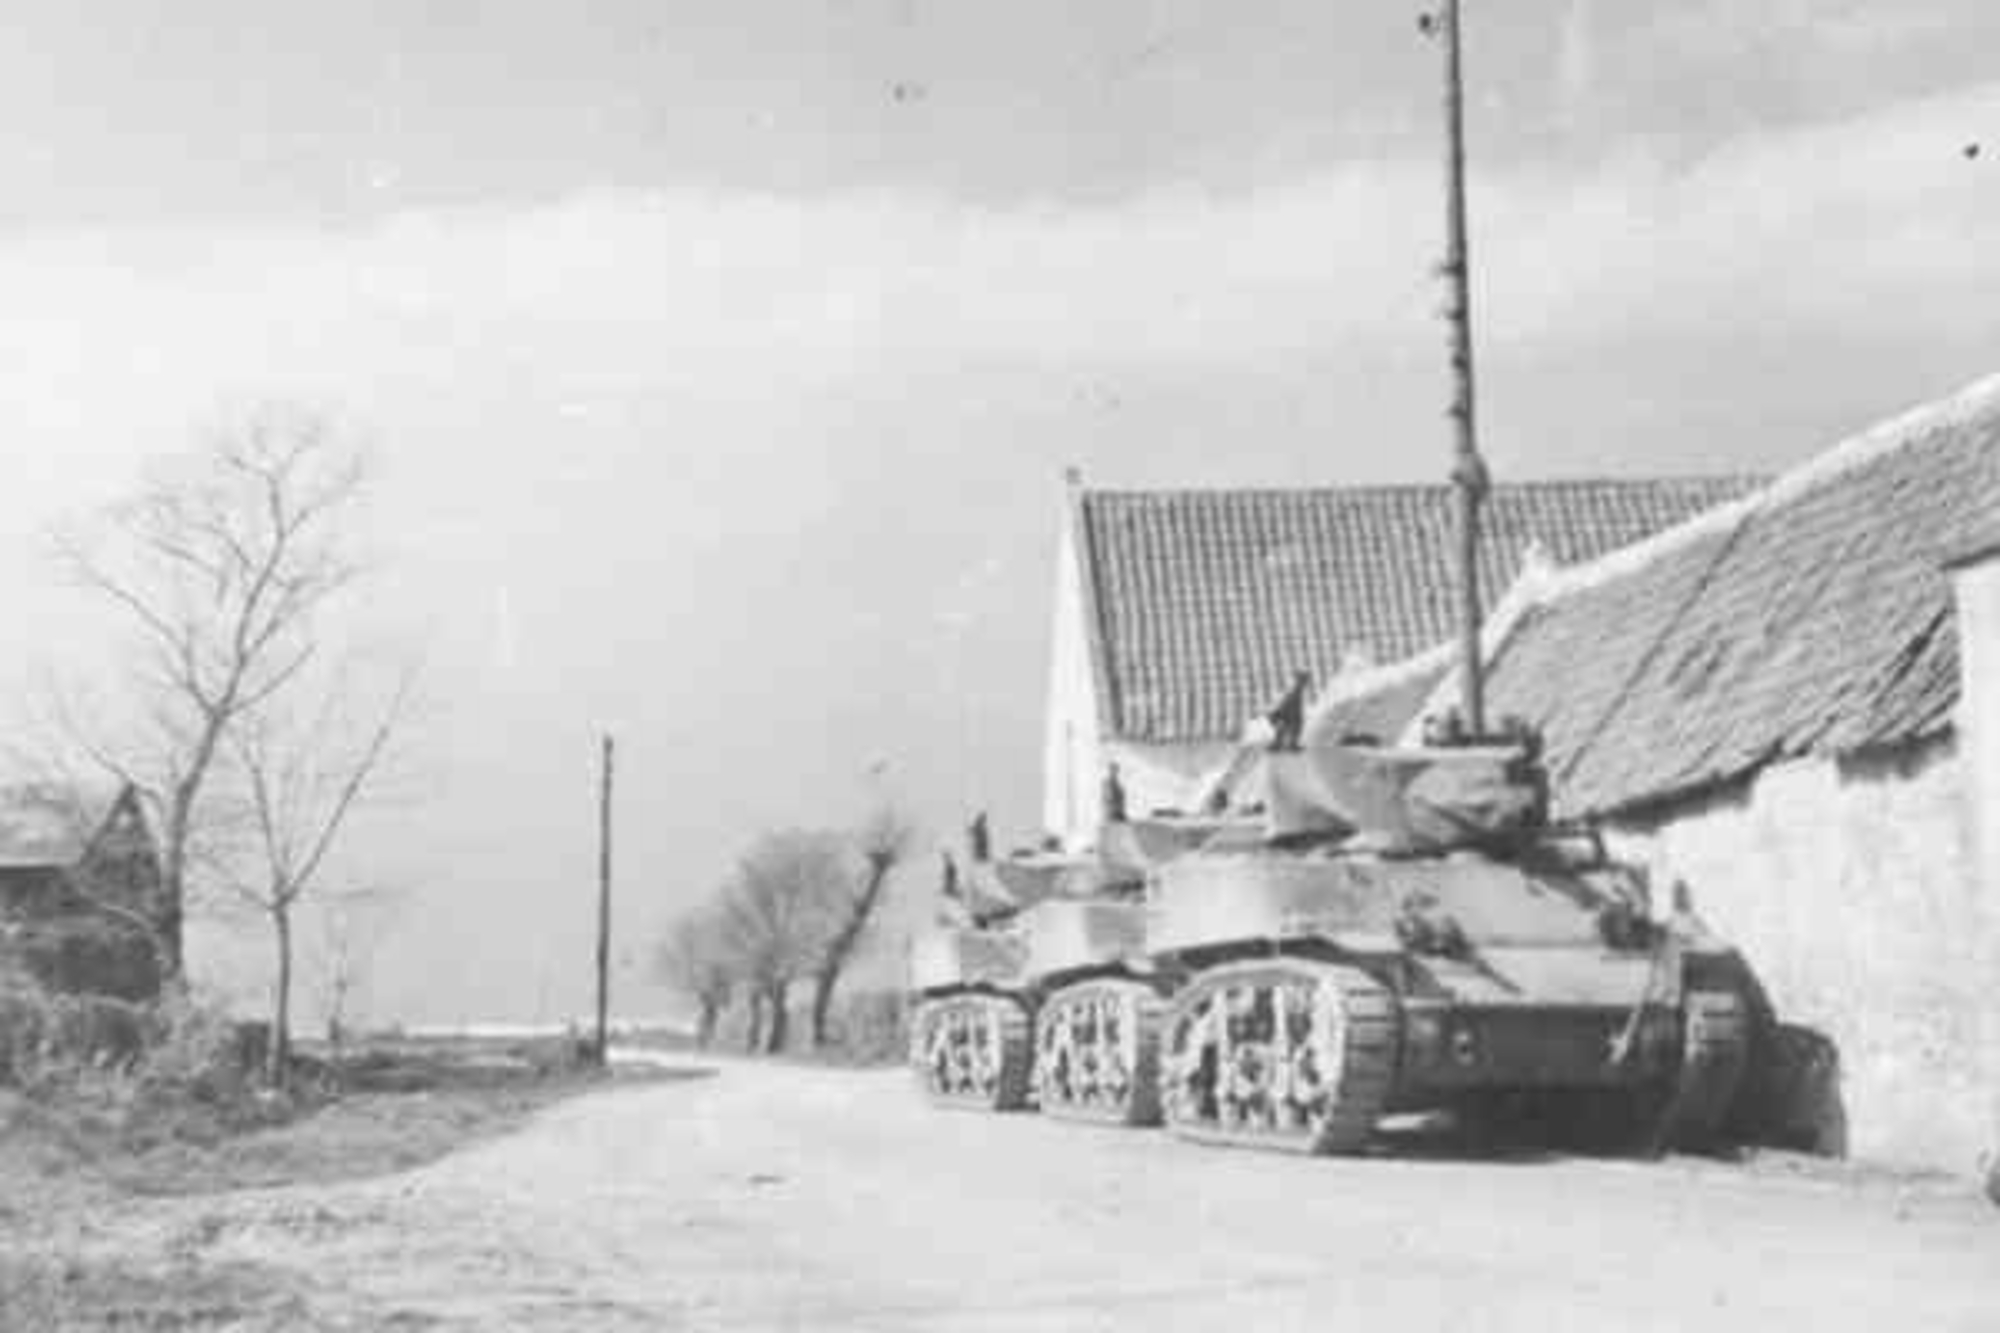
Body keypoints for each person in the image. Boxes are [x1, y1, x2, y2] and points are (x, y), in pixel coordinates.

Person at [1265, 669, 1312, 751]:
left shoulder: (1297, 692)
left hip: (1288, 715)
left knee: (1295, 724)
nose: (1303, 683)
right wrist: (1278, 714)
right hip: (1282, 714)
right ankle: (1279, 743)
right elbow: (1283, 705)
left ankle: (1289, 743)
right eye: (1301, 680)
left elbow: (1295, 707)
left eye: (1303, 681)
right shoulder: (1293, 691)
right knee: (1284, 725)